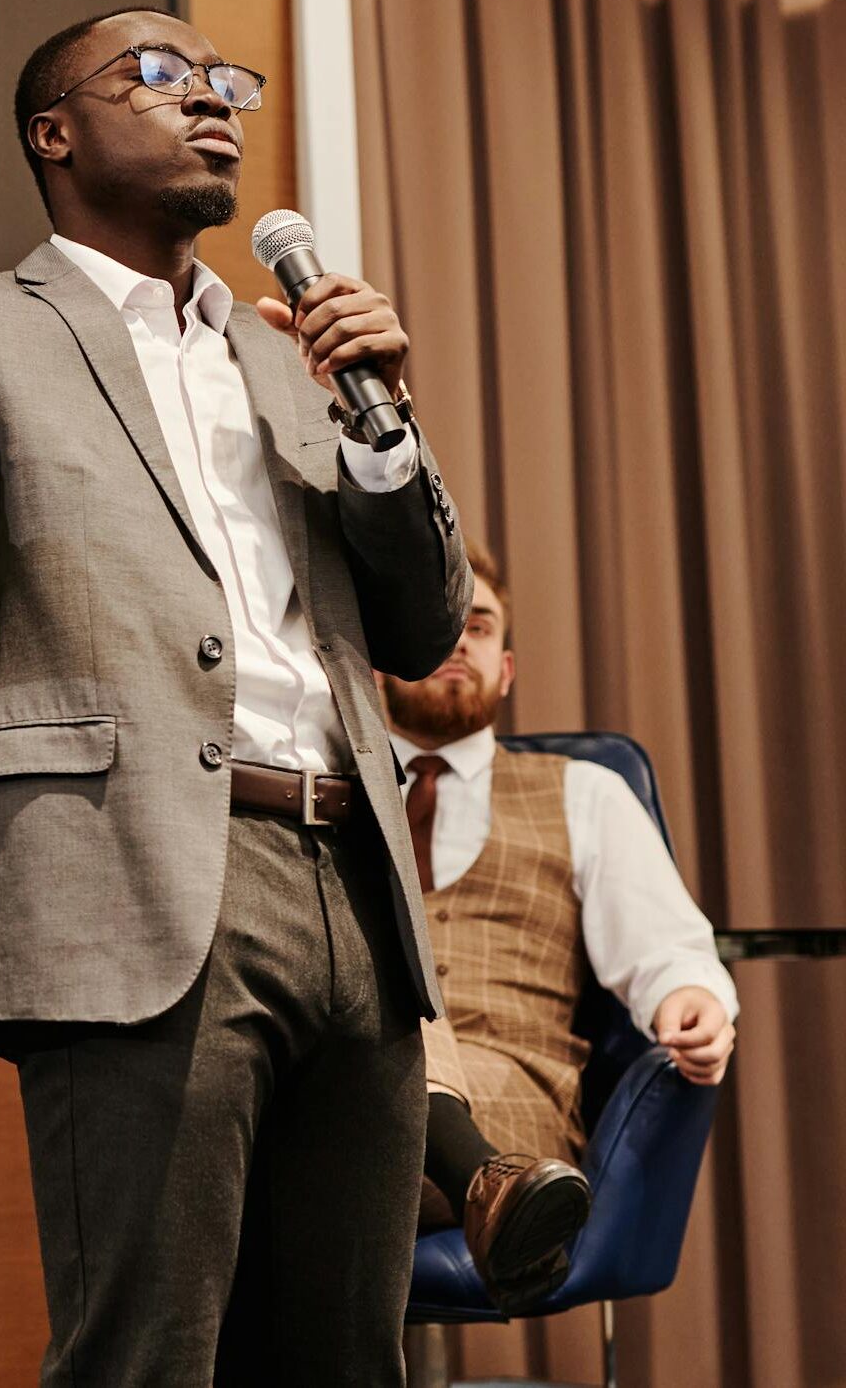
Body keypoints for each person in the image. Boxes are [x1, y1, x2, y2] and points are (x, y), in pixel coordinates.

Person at [0, 5, 471, 1387]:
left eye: (225, 83)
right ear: (53, 131)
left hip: (357, 881)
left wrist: (386, 429)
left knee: (345, 1356)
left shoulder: (289, 348)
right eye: (160, 75)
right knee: (148, 1352)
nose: (212, 101)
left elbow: (424, 625)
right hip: (140, 879)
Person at [385, 543, 738, 1313]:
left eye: (476, 626)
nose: (455, 642)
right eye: (436, 625)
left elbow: (669, 950)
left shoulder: (586, 792)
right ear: (381, 658)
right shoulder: (324, 793)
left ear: (504, 669)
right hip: (348, 1088)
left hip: (517, 1103)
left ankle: (488, 1175)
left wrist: (693, 998)